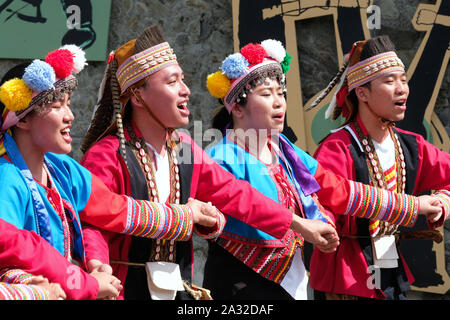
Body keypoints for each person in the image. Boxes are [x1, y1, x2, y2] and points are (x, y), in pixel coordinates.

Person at [80, 25, 339, 300]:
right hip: (122, 289)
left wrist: (299, 224)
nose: (185, 90)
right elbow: (93, 221)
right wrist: (98, 265)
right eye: (172, 82)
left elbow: (235, 194)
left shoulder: (183, 149)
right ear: (138, 96)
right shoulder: (108, 155)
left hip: (179, 291)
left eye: (183, 80)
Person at [203, 39, 444, 300]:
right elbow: (247, 203)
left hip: (291, 282)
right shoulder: (219, 157)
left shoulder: (285, 152)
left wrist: (413, 207)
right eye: (266, 95)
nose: (279, 103)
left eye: (280, 94)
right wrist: (302, 225)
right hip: (240, 283)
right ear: (237, 107)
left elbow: (333, 189)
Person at [0, 45, 222, 300]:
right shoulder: (8, 179)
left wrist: (184, 216)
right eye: (57, 106)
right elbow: (13, 256)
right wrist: (85, 282)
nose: (70, 116)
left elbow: (113, 208)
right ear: (23, 119)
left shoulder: (61, 170)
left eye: (69, 104)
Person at [308, 35, 450, 300]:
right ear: (361, 92)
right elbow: (326, 198)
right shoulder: (337, 148)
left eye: (403, 80)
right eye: (389, 81)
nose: (401, 89)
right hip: (344, 279)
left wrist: (442, 202)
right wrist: (414, 206)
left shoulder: (411, 146)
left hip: (389, 270)